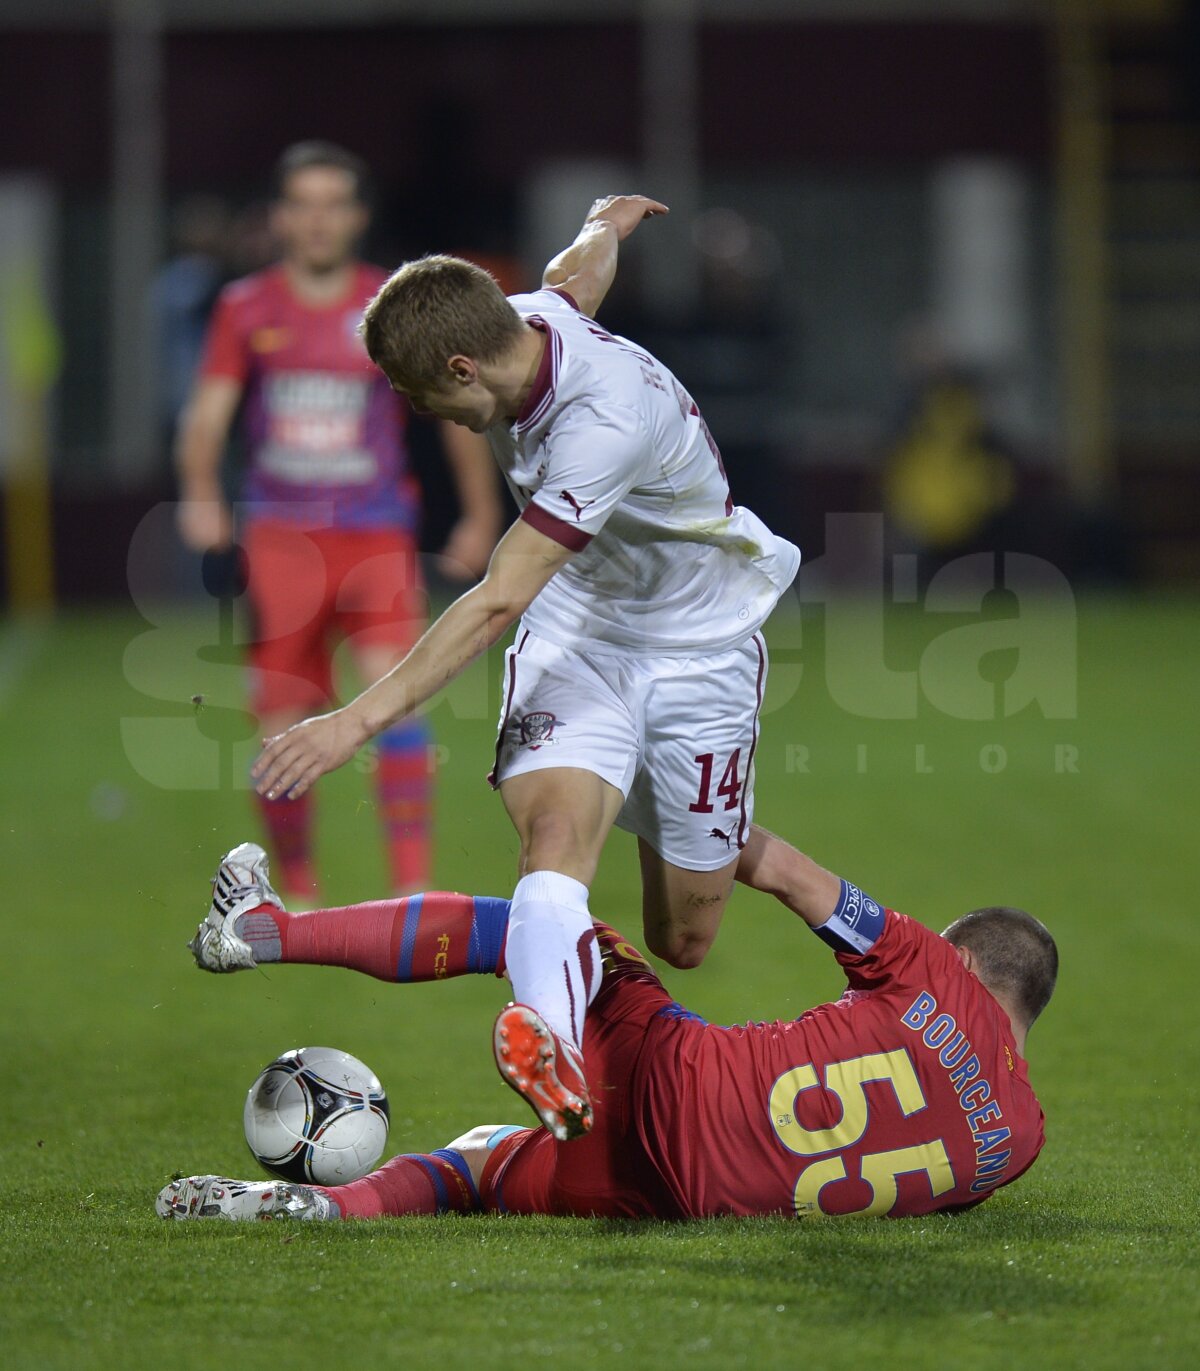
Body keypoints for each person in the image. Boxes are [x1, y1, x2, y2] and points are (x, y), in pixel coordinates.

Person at [250, 193, 802, 1141]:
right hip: (582, 628)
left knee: (685, 938)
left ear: (465, 365)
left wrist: (349, 721)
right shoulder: (530, 318)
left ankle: (713, 835)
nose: (443, 422)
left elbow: (498, 599)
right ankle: (551, 1043)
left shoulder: (601, 421)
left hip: (698, 650)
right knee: (554, 840)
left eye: (433, 402)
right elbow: (573, 277)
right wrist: (606, 224)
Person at [161, 831, 1056, 1222]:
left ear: (967, 961)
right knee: (476, 1163)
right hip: (682, 1201)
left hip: (670, 1076)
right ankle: (328, 1204)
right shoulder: (1018, 1144)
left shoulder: (936, 970)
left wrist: (660, 797)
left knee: (542, 924)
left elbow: (781, 869)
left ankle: (264, 930)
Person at [175, 141, 501, 900]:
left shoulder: (387, 305)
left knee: (396, 694)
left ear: (357, 216)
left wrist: (482, 513)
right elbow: (208, 415)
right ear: (280, 217)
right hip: (281, 539)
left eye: (333, 204)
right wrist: (199, 488)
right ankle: (301, 891)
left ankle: (412, 892)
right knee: (282, 719)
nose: (317, 221)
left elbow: (453, 409)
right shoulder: (244, 308)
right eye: (302, 204)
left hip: (374, 530)